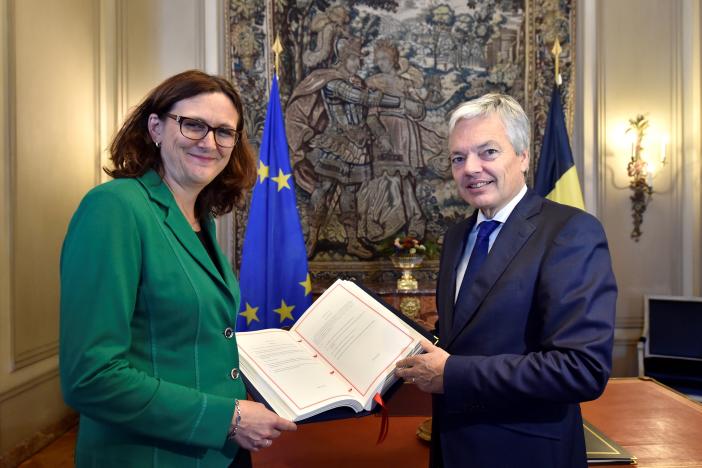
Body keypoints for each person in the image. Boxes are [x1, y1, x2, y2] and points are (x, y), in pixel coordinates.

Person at [59, 70, 297, 467]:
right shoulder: (115, 208)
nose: (210, 142)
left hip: (220, 451)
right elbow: (91, 377)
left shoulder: (202, 218)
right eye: (193, 125)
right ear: (155, 127)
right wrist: (229, 418)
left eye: (224, 132)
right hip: (151, 455)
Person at [395, 93, 617, 468]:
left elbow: (582, 369)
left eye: (488, 152)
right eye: (458, 158)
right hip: (451, 449)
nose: (471, 168)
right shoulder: (456, 238)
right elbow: (467, 335)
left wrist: (453, 373)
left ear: (524, 156)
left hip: (526, 453)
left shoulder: (571, 231)